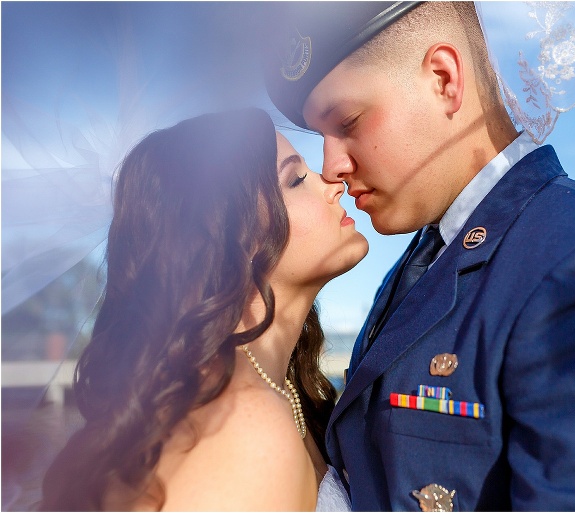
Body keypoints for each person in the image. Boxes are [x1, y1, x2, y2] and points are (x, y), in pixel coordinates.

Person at [264, 2, 575, 510]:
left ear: (444, 79)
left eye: (348, 122)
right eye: (323, 138)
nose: (331, 166)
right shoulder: (421, 265)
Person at [38, 108, 367, 511]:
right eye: (296, 179)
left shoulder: (281, 392)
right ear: (234, 242)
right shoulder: (241, 427)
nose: (332, 183)